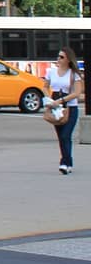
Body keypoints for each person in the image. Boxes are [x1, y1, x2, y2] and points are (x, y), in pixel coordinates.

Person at [45, 47, 83, 175]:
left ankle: (65, 163)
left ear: (68, 59)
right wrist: (49, 99)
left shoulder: (74, 74)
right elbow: (45, 86)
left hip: (70, 108)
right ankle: (67, 162)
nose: (58, 59)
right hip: (55, 107)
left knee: (66, 135)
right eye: (58, 56)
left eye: (61, 57)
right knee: (61, 137)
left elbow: (77, 93)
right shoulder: (51, 71)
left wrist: (61, 100)